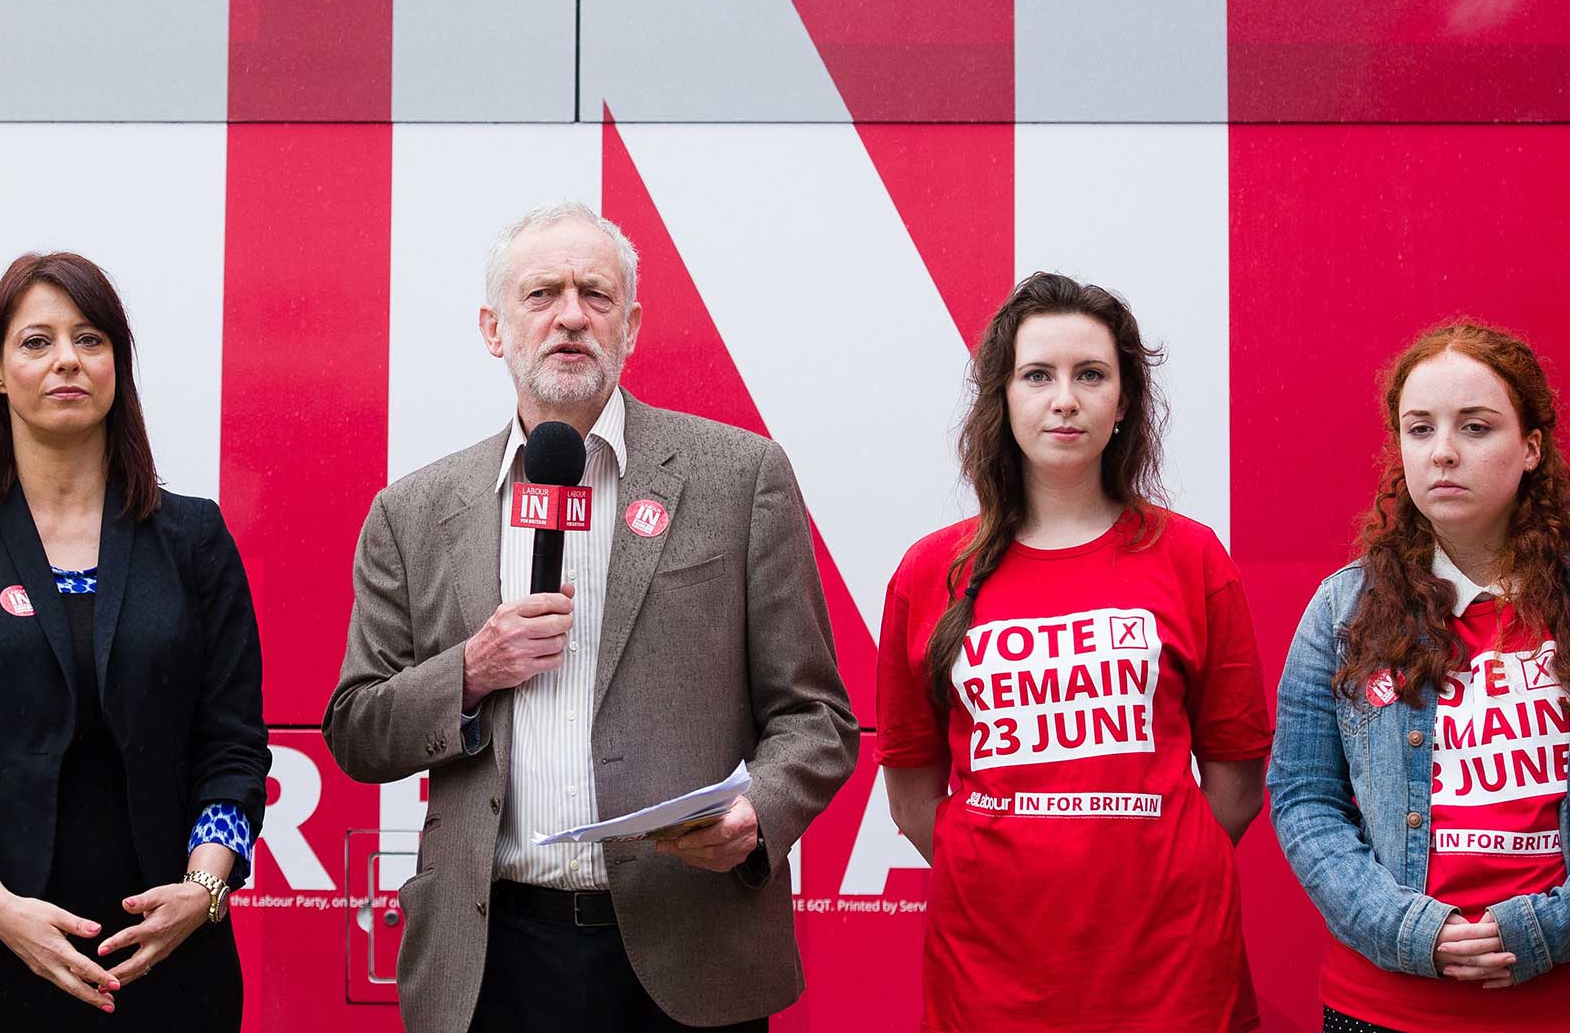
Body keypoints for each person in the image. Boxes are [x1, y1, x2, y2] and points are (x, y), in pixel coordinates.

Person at [324, 201, 857, 1033]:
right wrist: (472, 669)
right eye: (542, 294)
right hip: (491, 961)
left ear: (632, 325)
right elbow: (357, 729)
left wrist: (759, 817)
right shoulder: (414, 511)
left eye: (596, 296)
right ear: (493, 328)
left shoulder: (739, 477)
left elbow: (816, 717)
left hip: (690, 950)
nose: (571, 315)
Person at [0, 251, 267, 1029]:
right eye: (36, 341)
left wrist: (204, 889)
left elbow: (234, 747)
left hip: (165, 950)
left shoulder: (193, 537)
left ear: (117, 366)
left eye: (90, 340)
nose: (66, 362)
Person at [876, 271, 1272, 1033]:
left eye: (1091, 375)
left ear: (1123, 404)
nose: (1065, 398)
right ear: (1004, 398)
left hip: (1173, 975)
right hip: (990, 977)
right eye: (1038, 375)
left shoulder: (1191, 559)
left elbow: (1237, 786)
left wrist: (1149, 871)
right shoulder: (931, 573)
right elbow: (912, 796)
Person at [1269, 320, 1570, 1032]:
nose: (1442, 453)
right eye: (1419, 428)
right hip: (1382, 1009)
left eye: (1475, 427)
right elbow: (1303, 798)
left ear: (1530, 448)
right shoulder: (1344, 611)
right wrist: (1406, 930)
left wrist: (1546, 931)